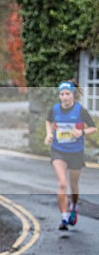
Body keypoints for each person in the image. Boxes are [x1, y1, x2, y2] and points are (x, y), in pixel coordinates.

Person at [44, 81, 96, 231]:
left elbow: (93, 127)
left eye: (67, 94)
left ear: (73, 94)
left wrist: (82, 132)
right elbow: (48, 121)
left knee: (73, 185)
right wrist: (48, 134)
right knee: (61, 183)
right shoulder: (54, 109)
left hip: (76, 152)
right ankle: (64, 217)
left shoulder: (80, 110)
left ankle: (73, 205)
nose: (65, 97)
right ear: (59, 96)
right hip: (58, 150)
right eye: (62, 94)